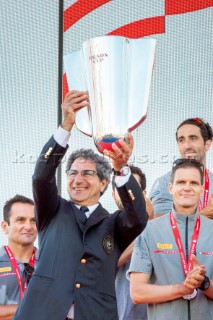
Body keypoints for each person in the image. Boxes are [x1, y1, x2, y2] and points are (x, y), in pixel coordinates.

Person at [13, 90, 148, 320]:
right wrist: (65, 126)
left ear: (104, 182)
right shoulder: (52, 210)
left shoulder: (113, 223)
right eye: (73, 173)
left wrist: (122, 169)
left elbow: (138, 216)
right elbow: (41, 177)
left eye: (87, 174)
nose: (78, 180)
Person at [128, 158, 213, 320]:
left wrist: (204, 283)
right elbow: (137, 292)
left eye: (194, 183)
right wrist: (182, 288)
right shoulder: (150, 230)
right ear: (171, 188)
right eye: (181, 182)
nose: (187, 187)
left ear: (202, 189)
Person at [150, 118, 213, 218]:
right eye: (181, 140)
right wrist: (205, 215)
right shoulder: (164, 182)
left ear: (207, 144)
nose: (187, 146)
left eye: (193, 138)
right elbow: (159, 226)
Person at [114, 165, 153, 320]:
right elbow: (111, 262)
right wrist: (147, 227)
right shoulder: (106, 225)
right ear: (113, 194)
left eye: (132, 188)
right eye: (120, 188)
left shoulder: (158, 225)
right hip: (116, 311)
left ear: (143, 194)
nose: (126, 193)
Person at [0, 194, 37, 320]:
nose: (28, 226)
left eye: (33, 220)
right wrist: (32, 307)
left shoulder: (51, 262)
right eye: (20, 220)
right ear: (5, 227)